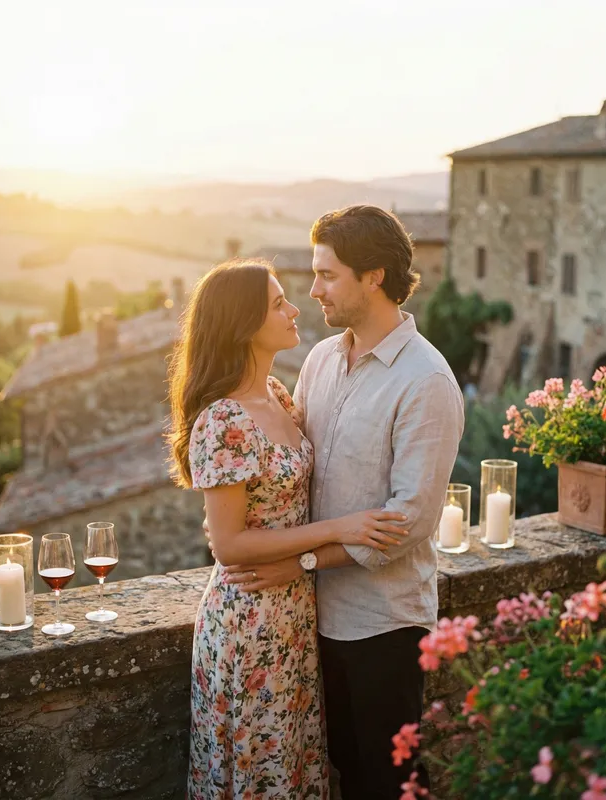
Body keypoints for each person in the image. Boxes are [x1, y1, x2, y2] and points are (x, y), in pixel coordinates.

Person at [222, 207, 464, 799]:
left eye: (327, 275)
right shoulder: (322, 360)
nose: (313, 290)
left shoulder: (426, 380)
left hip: (382, 623)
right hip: (309, 618)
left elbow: (405, 524)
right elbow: (298, 466)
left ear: (373, 276)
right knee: (341, 775)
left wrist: (300, 562)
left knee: (390, 782)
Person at [167, 258, 408, 799]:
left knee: (295, 767)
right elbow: (228, 546)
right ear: (242, 323)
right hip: (248, 622)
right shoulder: (222, 419)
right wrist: (338, 529)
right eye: (278, 303)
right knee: (260, 771)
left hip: (294, 614)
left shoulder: (277, 395)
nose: (295, 307)